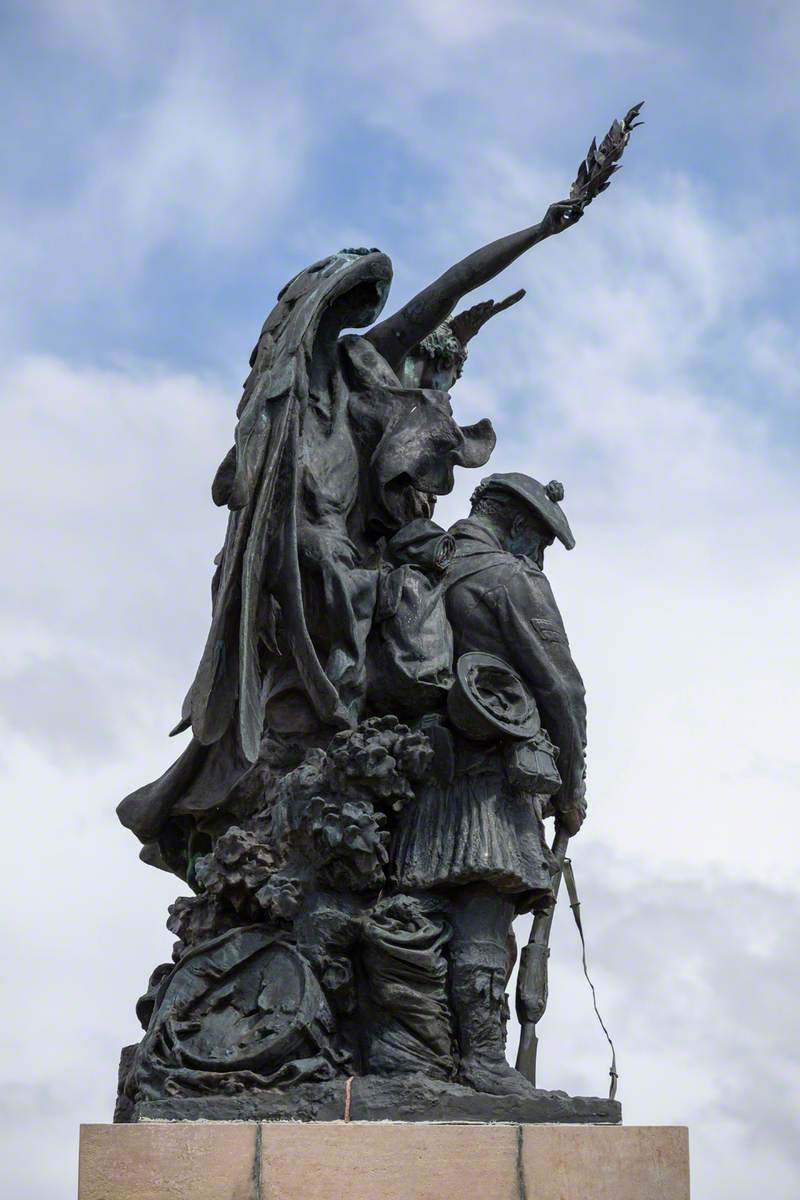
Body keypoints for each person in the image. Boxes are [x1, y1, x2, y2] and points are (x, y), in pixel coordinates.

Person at [391, 473, 586, 1097]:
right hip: (493, 779)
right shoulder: (512, 579)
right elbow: (561, 688)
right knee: (485, 908)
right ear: (523, 524)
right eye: (544, 540)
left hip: (428, 772)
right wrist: (572, 783)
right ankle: (481, 1060)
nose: (543, 554)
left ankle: (413, 1054)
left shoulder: (425, 565)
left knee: (429, 908)